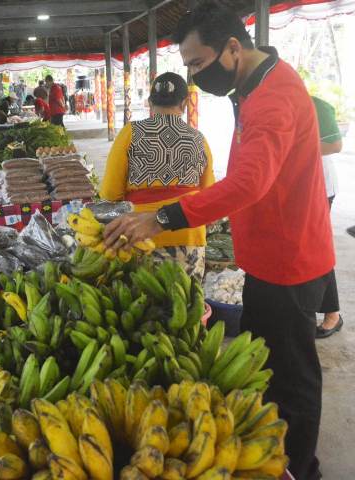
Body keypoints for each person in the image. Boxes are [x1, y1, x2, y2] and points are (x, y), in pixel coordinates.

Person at [103, 3, 334, 479]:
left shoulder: (271, 98)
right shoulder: (255, 85)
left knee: (293, 379)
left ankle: (300, 469)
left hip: (288, 259)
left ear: (233, 47)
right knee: (266, 369)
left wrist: (163, 217)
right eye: (188, 67)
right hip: (268, 254)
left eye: (197, 64)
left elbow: (249, 183)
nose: (193, 77)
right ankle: (273, 452)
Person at [100, 72, 214, 281]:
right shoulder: (199, 139)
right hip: (189, 234)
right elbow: (209, 195)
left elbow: (109, 193)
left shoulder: (130, 133)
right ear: (185, 103)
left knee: (144, 307)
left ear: (150, 102)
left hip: (139, 234)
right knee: (186, 304)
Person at [312, 96, 343, 338]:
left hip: (320, 187)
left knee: (316, 248)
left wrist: (292, 148)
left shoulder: (316, 104)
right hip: (297, 187)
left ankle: (332, 314)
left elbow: (335, 145)